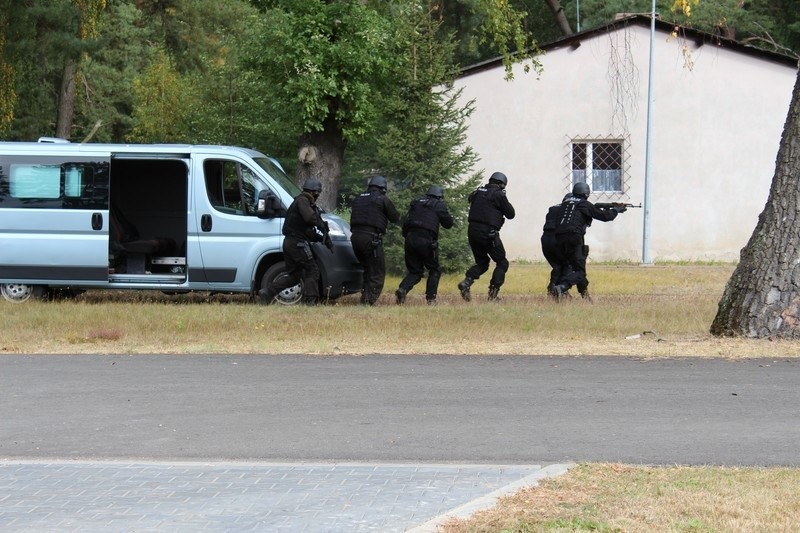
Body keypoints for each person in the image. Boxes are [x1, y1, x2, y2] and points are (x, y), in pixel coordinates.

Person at [258, 178, 333, 306]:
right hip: (297, 244)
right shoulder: (303, 201)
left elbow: (307, 231)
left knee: (294, 276)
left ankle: (268, 292)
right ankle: (310, 302)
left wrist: (322, 239)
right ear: (314, 192)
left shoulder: (300, 202)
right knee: (312, 270)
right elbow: (310, 218)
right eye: (317, 193)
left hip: (290, 243)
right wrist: (321, 224)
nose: (318, 196)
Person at [552, 182, 626, 301]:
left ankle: (584, 296)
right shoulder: (583, 204)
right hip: (574, 238)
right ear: (586, 194)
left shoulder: (564, 204)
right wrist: (616, 210)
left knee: (569, 266)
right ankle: (562, 287)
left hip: (559, 238)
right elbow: (605, 216)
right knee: (580, 271)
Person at [457, 171, 515, 302]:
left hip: (472, 232)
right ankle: (493, 294)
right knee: (502, 262)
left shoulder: (478, 192)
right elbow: (511, 214)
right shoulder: (498, 194)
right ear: (501, 184)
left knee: (482, 263)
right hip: (488, 233)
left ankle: (467, 282)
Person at [395, 185, 454, 305]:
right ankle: (431, 300)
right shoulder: (438, 205)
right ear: (439, 197)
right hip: (426, 240)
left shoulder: (416, 203)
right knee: (434, 270)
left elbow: (406, 222)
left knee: (415, 272)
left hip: (410, 239)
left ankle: (403, 289)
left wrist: (408, 236)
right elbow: (448, 224)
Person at [350, 175, 399, 305]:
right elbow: (394, 217)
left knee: (367, 268)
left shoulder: (359, 198)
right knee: (377, 271)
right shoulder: (381, 199)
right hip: (371, 239)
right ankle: (368, 301)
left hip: (355, 238)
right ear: (383, 188)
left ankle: (365, 297)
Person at [541, 194, 573, 299]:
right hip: (558, 239)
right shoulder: (569, 210)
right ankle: (561, 290)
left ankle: (552, 289)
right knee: (569, 265)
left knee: (557, 266)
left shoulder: (552, 209)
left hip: (545, 239)